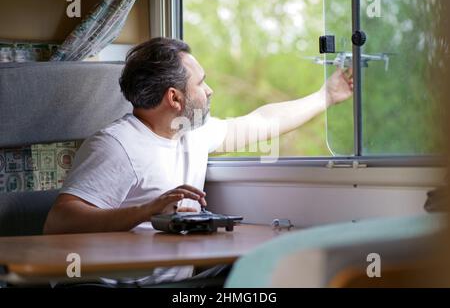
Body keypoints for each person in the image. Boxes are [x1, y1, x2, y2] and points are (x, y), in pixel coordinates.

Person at [43, 37, 353, 286]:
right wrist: (146, 211)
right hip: (109, 285)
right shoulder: (116, 145)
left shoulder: (192, 132)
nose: (209, 90)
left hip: (174, 284)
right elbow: (58, 223)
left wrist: (325, 96)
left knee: (263, 277)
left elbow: (261, 121)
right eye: (201, 83)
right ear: (174, 98)